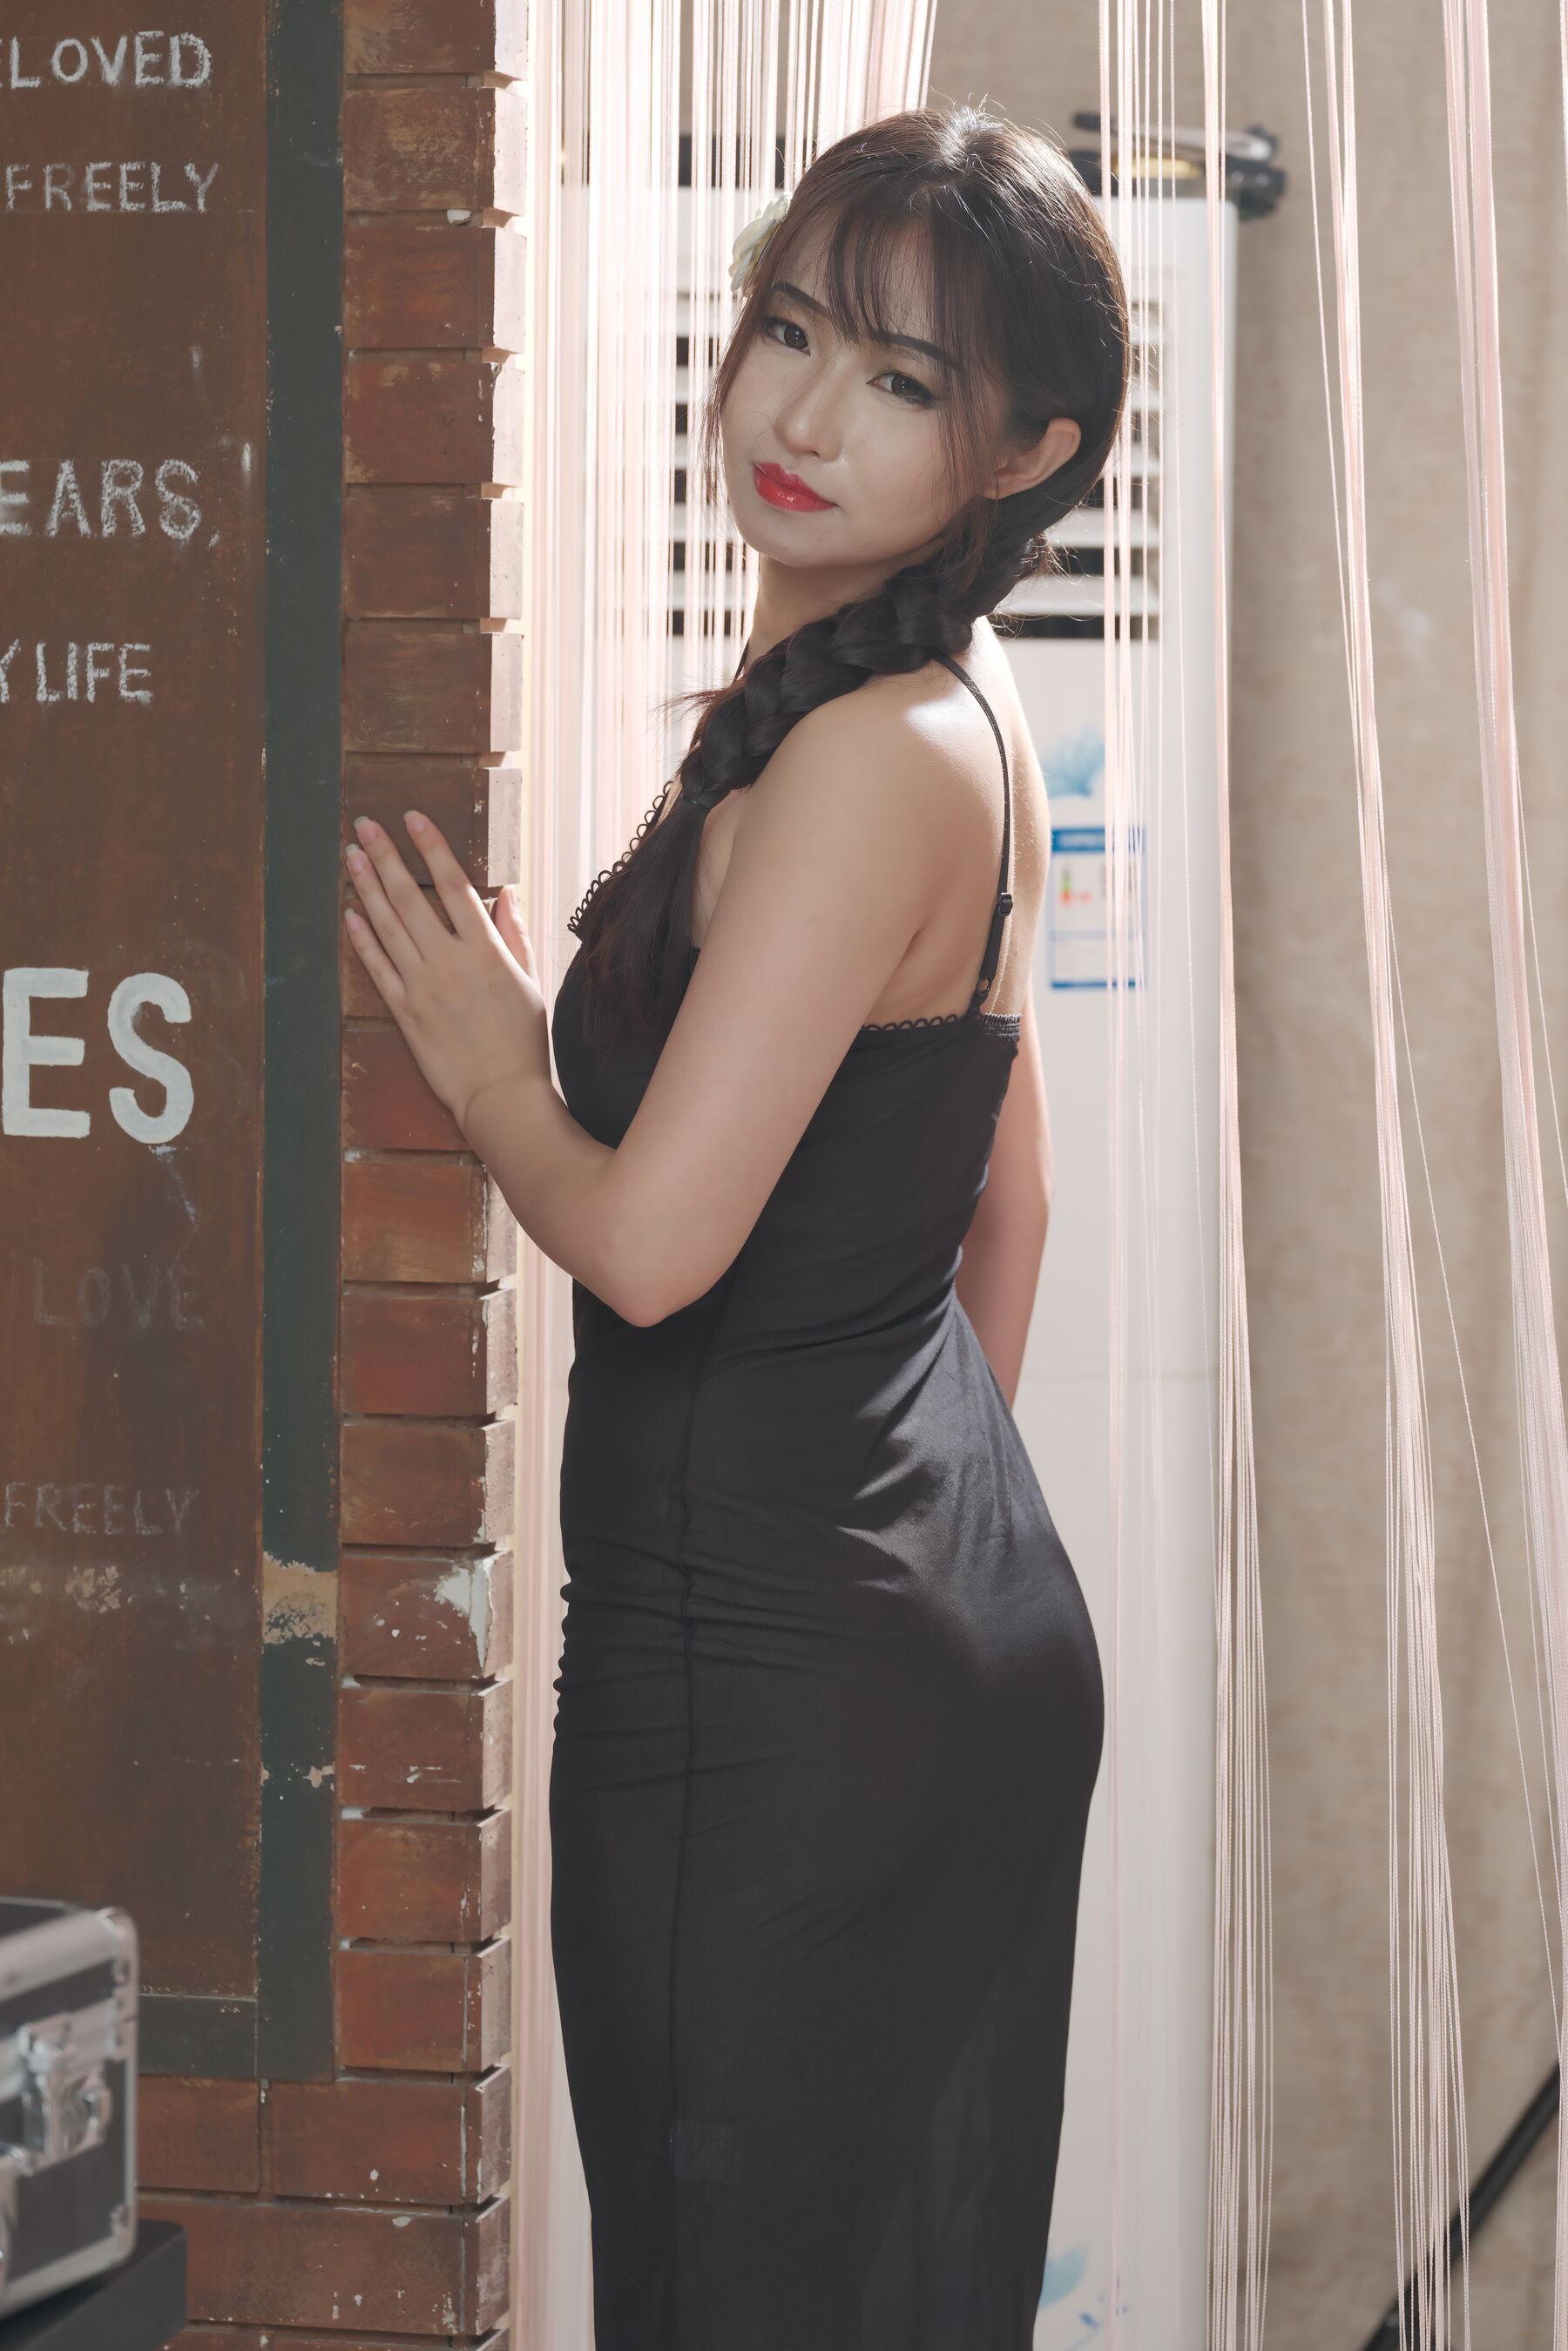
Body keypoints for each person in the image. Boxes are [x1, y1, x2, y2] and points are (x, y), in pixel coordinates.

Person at [342, 98, 1126, 2351]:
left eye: (901, 379)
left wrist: (494, 1065)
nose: (802, 415)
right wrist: (895, 1546)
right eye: (792, 331)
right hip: (900, 1640)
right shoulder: (941, 709)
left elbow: (655, 1246)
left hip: (771, 1694)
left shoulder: (868, 751)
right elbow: (1012, 1196)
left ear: (1026, 450)